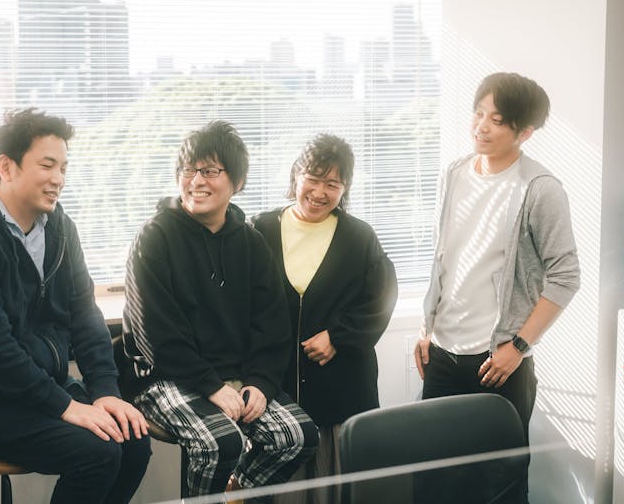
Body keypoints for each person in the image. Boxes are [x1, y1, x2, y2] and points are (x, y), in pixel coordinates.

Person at [0, 108, 151, 504]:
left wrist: (104, 391)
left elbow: (84, 314)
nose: (58, 179)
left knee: (133, 440)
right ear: (6, 167)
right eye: (47, 165)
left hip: (43, 386)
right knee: (98, 454)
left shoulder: (60, 228)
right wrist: (67, 406)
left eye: (63, 167)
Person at [122, 120, 319, 499]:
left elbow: (272, 324)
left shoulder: (251, 243)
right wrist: (210, 386)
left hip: (234, 376)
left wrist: (261, 382)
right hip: (164, 378)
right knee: (221, 443)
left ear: (237, 182)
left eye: (211, 171)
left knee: (298, 437)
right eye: (189, 170)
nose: (197, 180)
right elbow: (155, 334)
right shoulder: (155, 236)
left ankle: (236, 492)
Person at [414, 72, 581, 503]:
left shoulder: (540, 189)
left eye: (498, 120)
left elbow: (565, 276)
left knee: (496, 488)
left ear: (525, 132)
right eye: (478, 113)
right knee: (433, 483)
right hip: (442, 356)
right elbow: (446, 257)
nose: (481, 126)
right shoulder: (453, 174)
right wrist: (427, 325)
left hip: (497, 364)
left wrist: (518, 347)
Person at [252, 134, 398, 504]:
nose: (319, 192)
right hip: (276, 389)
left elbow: (382, 296)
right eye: (313, 179)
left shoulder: (359, 237)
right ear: (296, 176)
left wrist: (338, 336)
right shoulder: (260, 230)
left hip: (340, 389)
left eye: (332, 184)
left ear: (344, 188)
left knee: (334, 489)